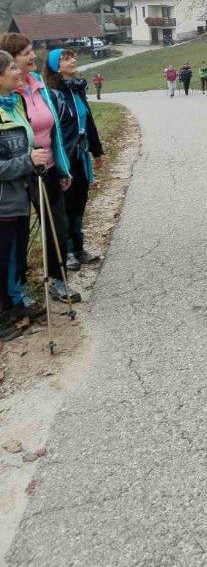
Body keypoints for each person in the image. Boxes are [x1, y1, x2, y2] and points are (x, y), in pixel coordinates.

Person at [0, 33, 81, 303]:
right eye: (25, 53)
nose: (33, 56)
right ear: (10, 61)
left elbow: (55, 129)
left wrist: (63, 167)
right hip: (23, 172)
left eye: (32, 49)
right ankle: (17, 290)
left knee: (57, 223)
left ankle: (57, 279)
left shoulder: (39, 85)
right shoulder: (10, 96)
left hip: (48, 166)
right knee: (19, 232)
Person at [0, 51, 47, 338]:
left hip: (19, 194)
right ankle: (3, 315)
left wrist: (33, 162)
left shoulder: (14, 103)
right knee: (2, 257)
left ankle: (15, 302)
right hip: (3, 201)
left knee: (16, 254)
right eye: (12, 68)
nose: (18, 72)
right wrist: (27, 162)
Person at [43, 49, 104, 269]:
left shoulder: (77, 89)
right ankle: (67, 251)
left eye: (73, 57)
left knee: (80, 202)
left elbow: (88, 122)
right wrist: (59, 164)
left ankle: (79, 248)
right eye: (66, 59)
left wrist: (97, 151)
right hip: (65, 157)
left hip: (81, 156)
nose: (73, 60)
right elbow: (54, 129)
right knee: (66, 205)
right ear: (55, 67)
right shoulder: (52, 93)